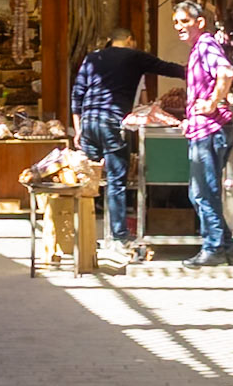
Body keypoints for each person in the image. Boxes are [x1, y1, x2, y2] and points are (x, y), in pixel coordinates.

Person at [71, 28, 186, 259]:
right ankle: (119, 238)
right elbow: (169, 68)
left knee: (89, 182)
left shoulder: (92, 58)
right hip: (112, 123)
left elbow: (77, 94)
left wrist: (78, 129)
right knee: (116, 182)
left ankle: (85, 237)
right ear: (130, 40)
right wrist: (200, 72)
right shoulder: (135, 56)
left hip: (89, 122)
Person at [174, 0, 233, 265]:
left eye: (184, 21)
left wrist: (212, 103)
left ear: (199, 23)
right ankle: (228, 245)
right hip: (204, 129)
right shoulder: (199, 48)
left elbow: (226, 72)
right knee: (201, 191)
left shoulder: (205, 45)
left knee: (203, 191)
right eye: (176, 23)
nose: (179, 27)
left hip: (211, 130)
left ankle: (214, 249)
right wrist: (191, 117)